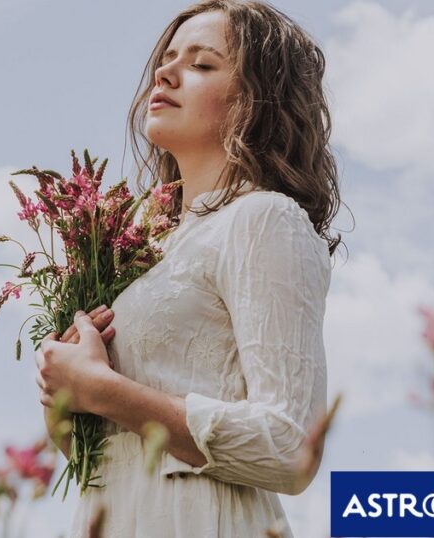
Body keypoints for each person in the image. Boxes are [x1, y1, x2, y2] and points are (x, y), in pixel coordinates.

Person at [34, 1, 345, 535]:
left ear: (257, 100)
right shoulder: (139, 256)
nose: (165, 72)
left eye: (202, 65)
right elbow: (104, 461)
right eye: (167, 58)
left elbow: (291, 448)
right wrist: (65, 401)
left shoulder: (262, 217)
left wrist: (103, 389)